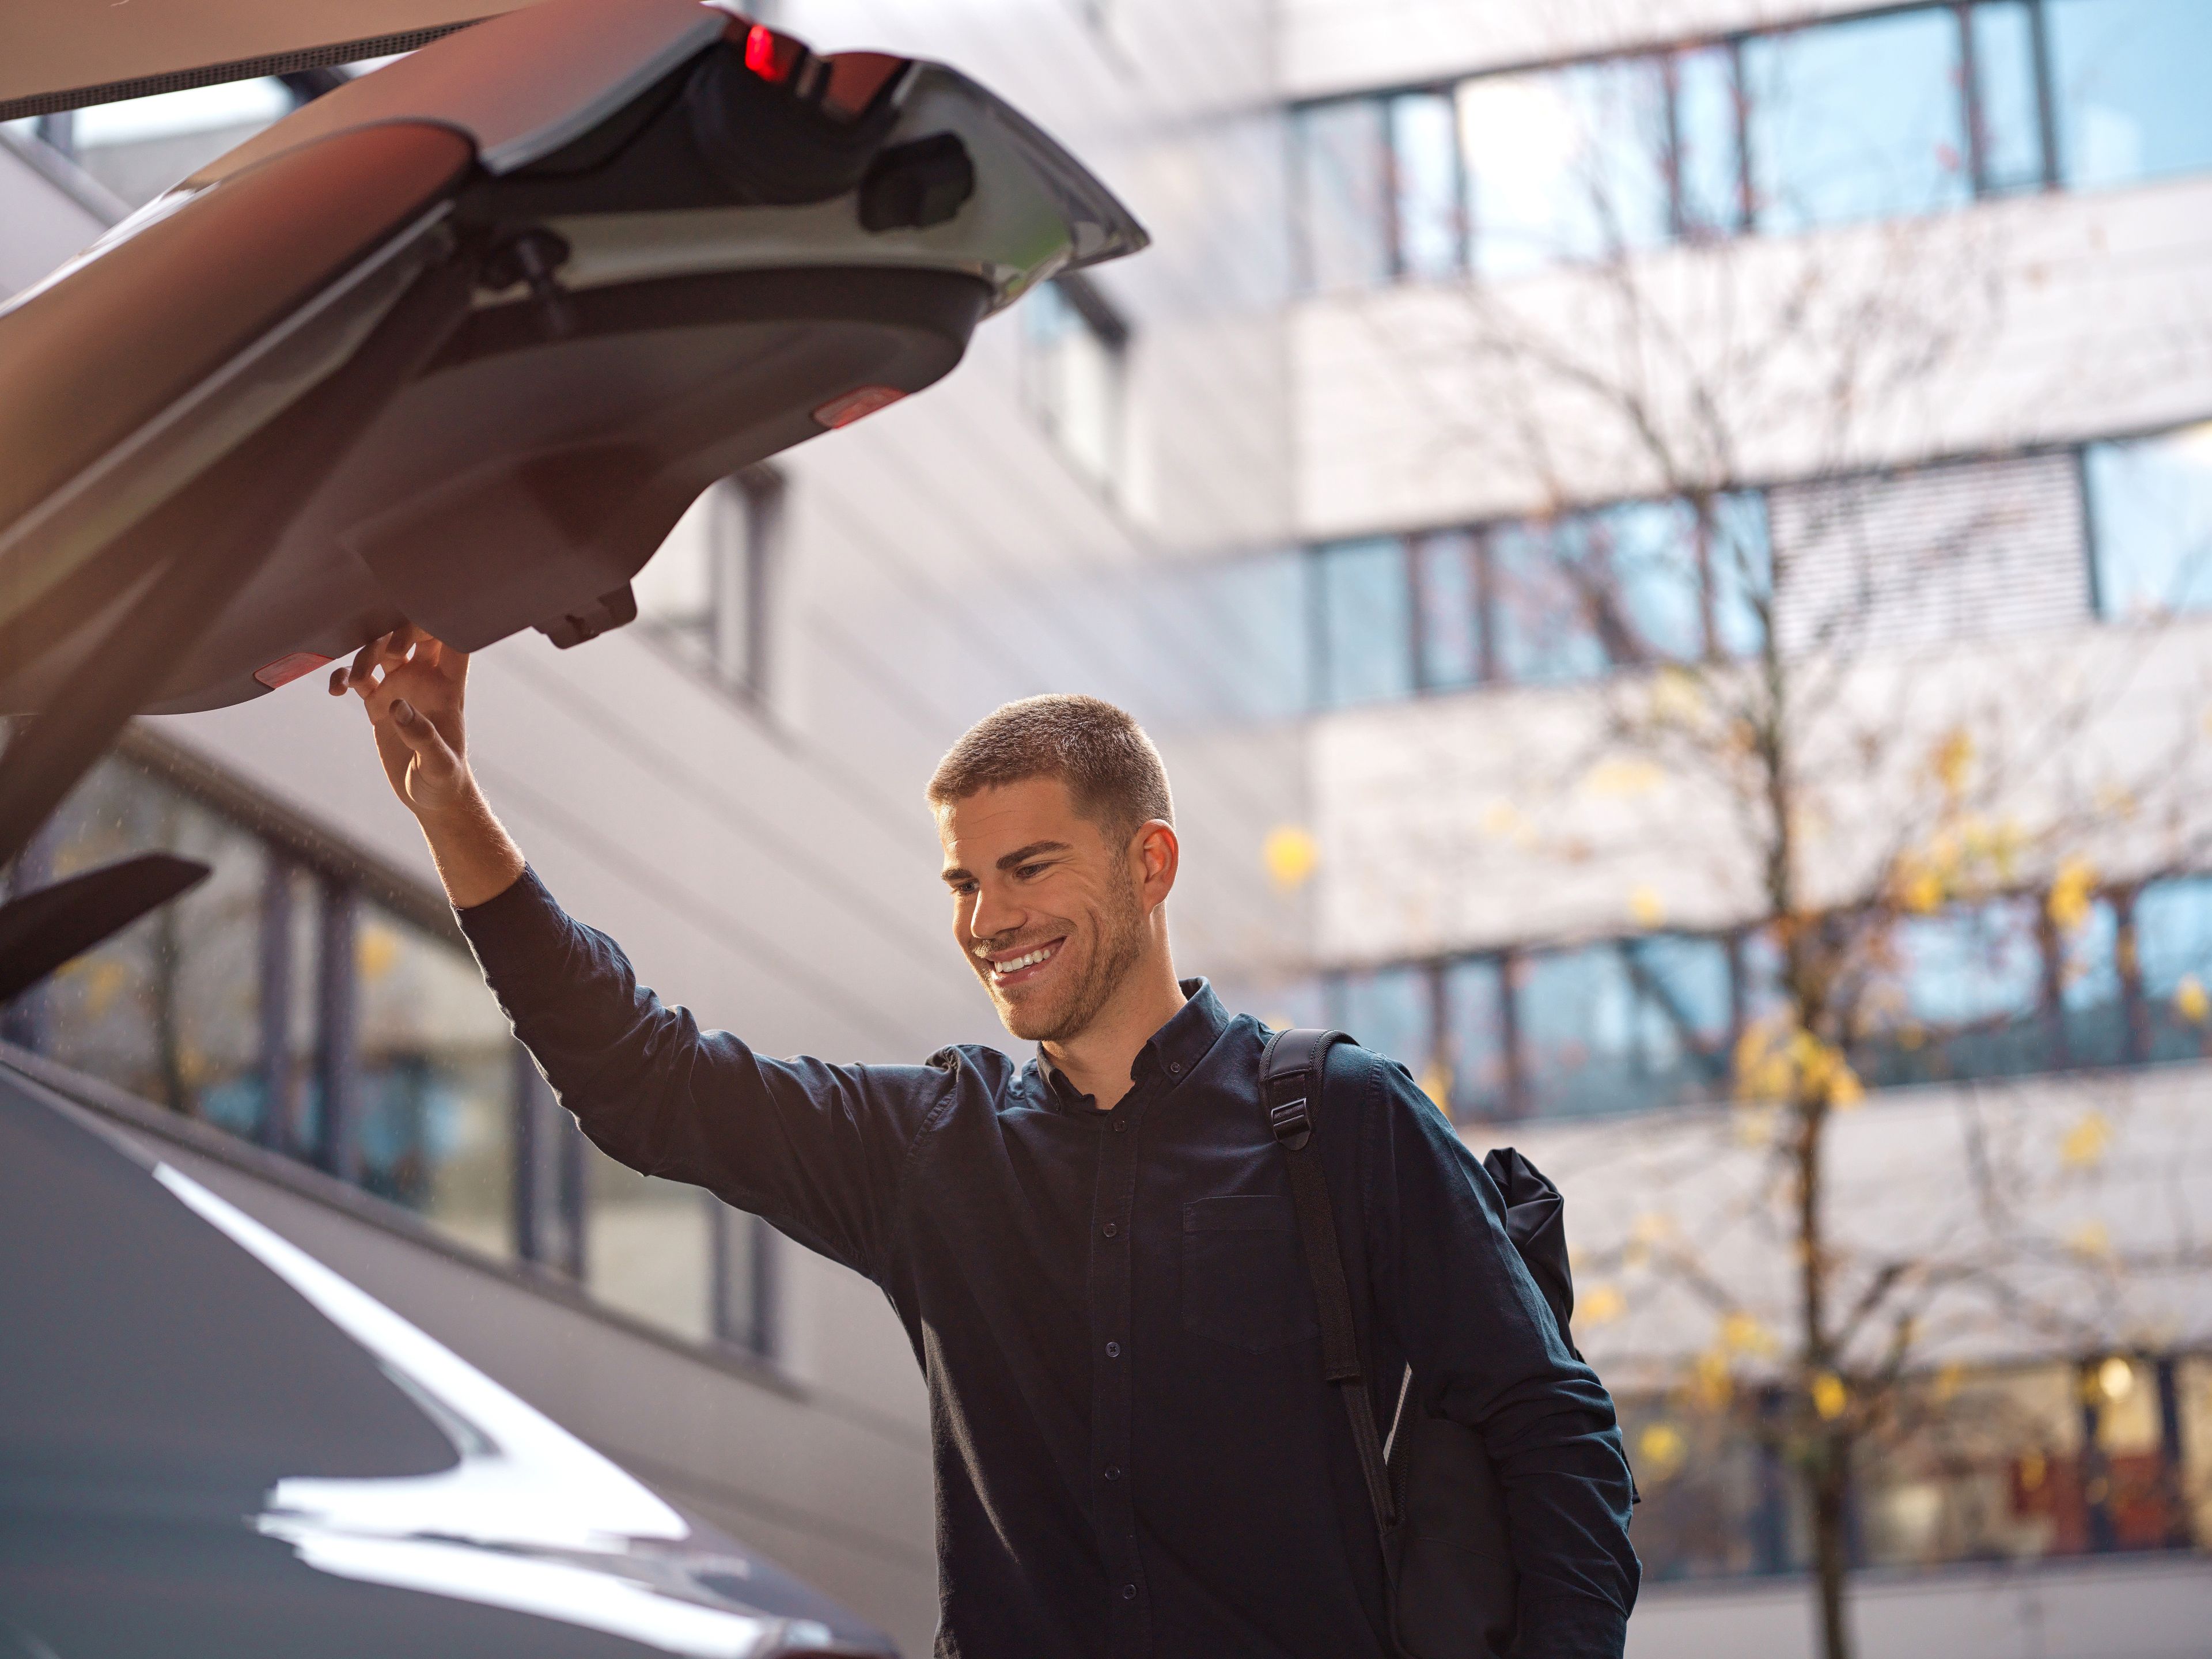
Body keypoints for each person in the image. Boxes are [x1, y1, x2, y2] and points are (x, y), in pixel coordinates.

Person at [332, 625, 1639, 1659]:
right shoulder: (934, 1153)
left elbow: (1555, 1428)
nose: (988, 917)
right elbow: (643, 1082)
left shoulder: (1341, 1124)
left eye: (1029, 868)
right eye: (964, 880)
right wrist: (453, 813)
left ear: (1151, 863)